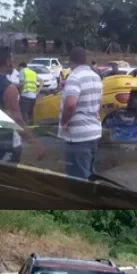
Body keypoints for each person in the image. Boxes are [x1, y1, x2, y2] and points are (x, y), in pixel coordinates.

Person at [0, 46, 45, 163]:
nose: (14, 63)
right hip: (7, 145)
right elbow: (17, 120)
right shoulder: (8, 88)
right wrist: (36, 144)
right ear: (7, 62)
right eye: (13, 59)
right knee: (7, 178)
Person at [59, 46, 103, 180]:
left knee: (78, 180)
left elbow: (71, 104)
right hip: (93, 133)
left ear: (71, 61)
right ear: (86, 59)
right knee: (89, 174)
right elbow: (99, 103)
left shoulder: (75, 77)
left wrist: (64, 122)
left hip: (77, 137)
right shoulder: (96, 77)